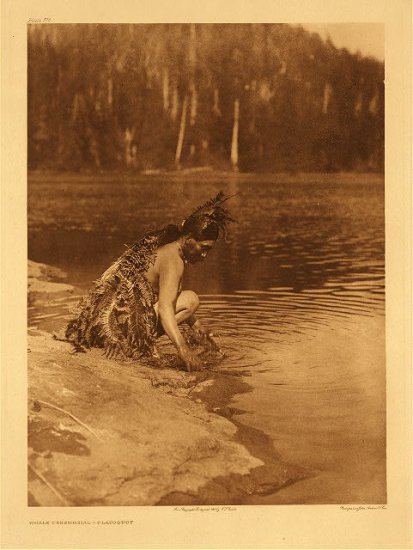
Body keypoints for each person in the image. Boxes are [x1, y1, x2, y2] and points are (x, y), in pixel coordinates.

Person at [66, 192, 235, 371]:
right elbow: (165, 307)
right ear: (188, 239)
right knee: (191, 299)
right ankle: (140, 345)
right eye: (204, 248)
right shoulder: (173, 260)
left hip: (116, 322)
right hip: (125, 327)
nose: (204, 255)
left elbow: (167, 298)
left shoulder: (168, 249)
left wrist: (199, 328)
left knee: (185, 300)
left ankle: (141, 342)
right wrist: (183, 349)